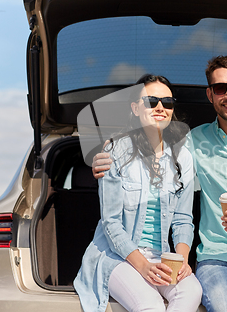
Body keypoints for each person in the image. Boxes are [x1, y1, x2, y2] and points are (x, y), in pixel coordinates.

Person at [93, 56, 227, 312]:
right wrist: (104, 158)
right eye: (221, 88)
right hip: (218, 258)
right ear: (210, 95)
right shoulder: (191, 142)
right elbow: (150, 150)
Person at [74, 74, 202, 312]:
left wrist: (182, 260)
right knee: (150, 304)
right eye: (151, 101)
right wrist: (143, 266)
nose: (160, 107)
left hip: (163, 256)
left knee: (192, 291)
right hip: (118, 256)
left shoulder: (183, 157)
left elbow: (184, 219)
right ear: (135, 108)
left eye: (167, 102)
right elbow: (111, 223)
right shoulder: (115, 151)